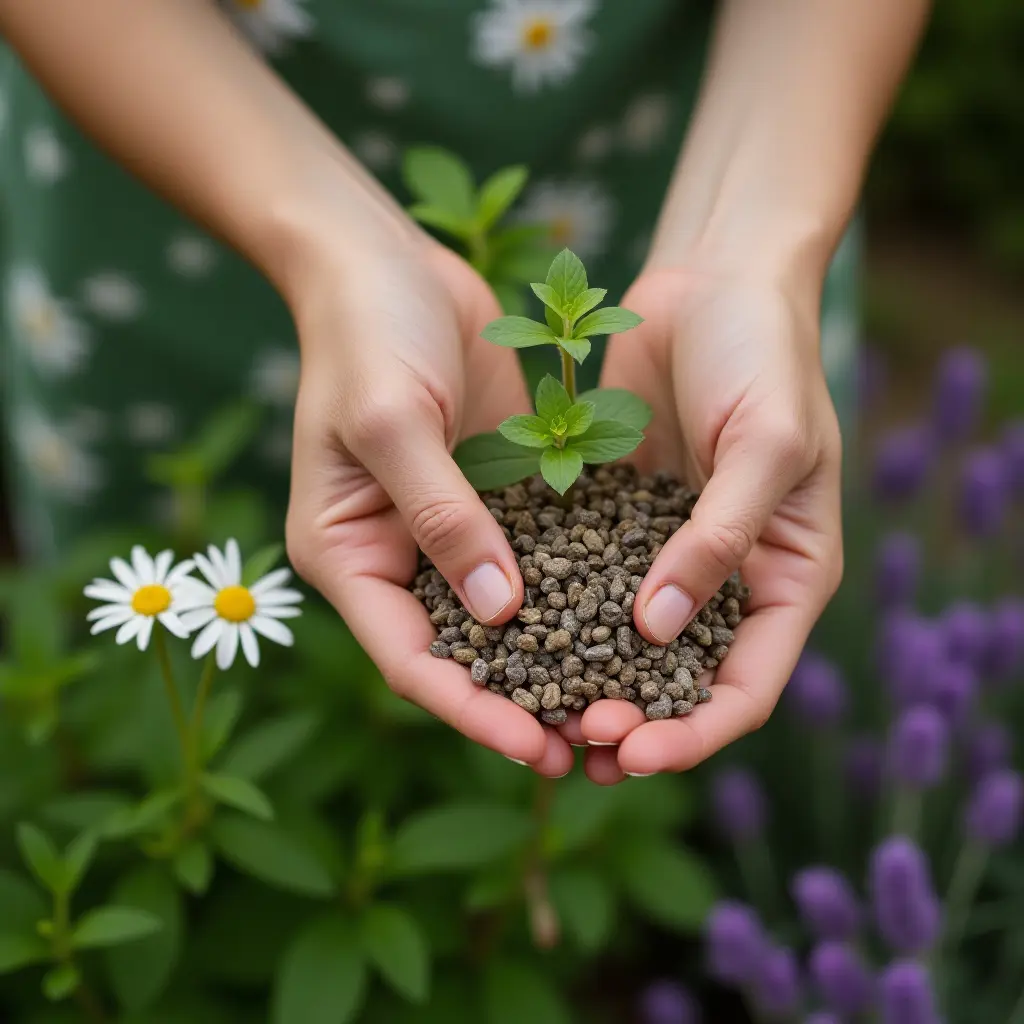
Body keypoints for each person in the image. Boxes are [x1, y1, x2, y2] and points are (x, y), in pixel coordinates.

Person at [0, 0, 929, 783]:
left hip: (708, 140)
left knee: (717, 457)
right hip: (168, 151)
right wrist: (336, 256)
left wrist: (749, 251)